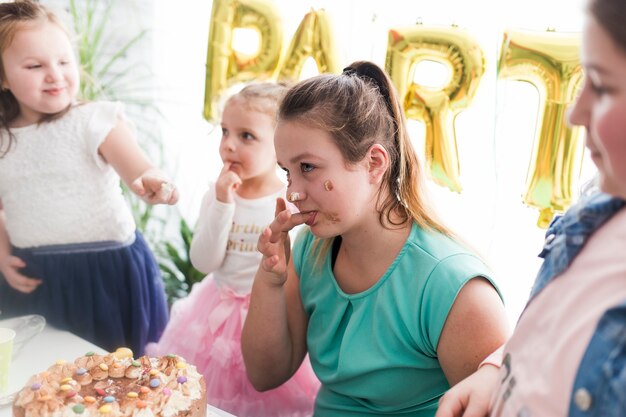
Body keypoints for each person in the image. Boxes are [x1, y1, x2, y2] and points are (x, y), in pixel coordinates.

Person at [241, 61, 510, 417]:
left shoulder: (453, 287)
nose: (293, 193)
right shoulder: (310, 249)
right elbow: (264, 375)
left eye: (308, 168)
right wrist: (271, 279)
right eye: (287, 172)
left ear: (374, 163)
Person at [435, 0, 626, 416]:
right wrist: (497, 369)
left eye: (604, 85)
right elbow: (559, 323)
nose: (575, 114)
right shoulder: (595, 203)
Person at [0, 0, 178, 356]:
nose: (55, 74)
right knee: (44, 370)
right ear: (3, 77)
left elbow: (140, 169)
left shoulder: (94, 120)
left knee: (116, 374)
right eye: (35, 65)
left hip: (107, 275)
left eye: (64, 61)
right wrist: (3, 254)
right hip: (36, 276)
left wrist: (154, 181)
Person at [145, 82, 320, 417]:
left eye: (246, 136)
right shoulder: (218, 194)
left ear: (280, 145)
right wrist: (223, 203)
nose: (228, 145)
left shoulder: (287, 199)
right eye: (225, 132)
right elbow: (204, 261)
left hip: (267, 318)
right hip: (212, 318)